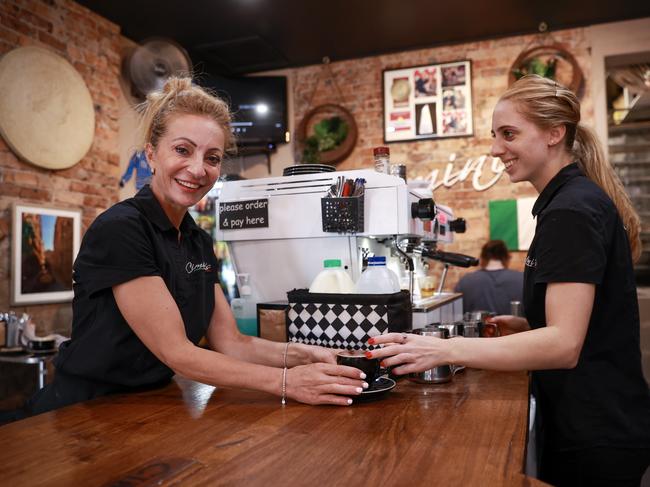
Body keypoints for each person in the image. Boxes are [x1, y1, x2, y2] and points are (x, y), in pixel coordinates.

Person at [368, 75, 650, 487]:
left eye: (509, 134)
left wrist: (441, 349)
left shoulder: (570, 210)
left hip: (597, 429)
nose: (495, 148)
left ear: (555, 134)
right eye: (494, 135)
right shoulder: (566, 201)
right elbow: (578, 324)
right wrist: (526, 327)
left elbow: (564, 345)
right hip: (592, 419)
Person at [26, 77, 367, 416]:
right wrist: (287, 383)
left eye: (213, 158)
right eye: (182, 150)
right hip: (83, 411)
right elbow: (178, 353)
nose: (198, 169)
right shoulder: (121, 229)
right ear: (151, 155)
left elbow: (233, 343)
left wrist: (305, 355)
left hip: (149, 409)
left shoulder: (197, 241)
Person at [454, 239, 523, 315]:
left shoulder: (465, 282)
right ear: (507, 257)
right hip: (516, 327)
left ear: (482, 258)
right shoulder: (522, 280)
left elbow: (456, 315)